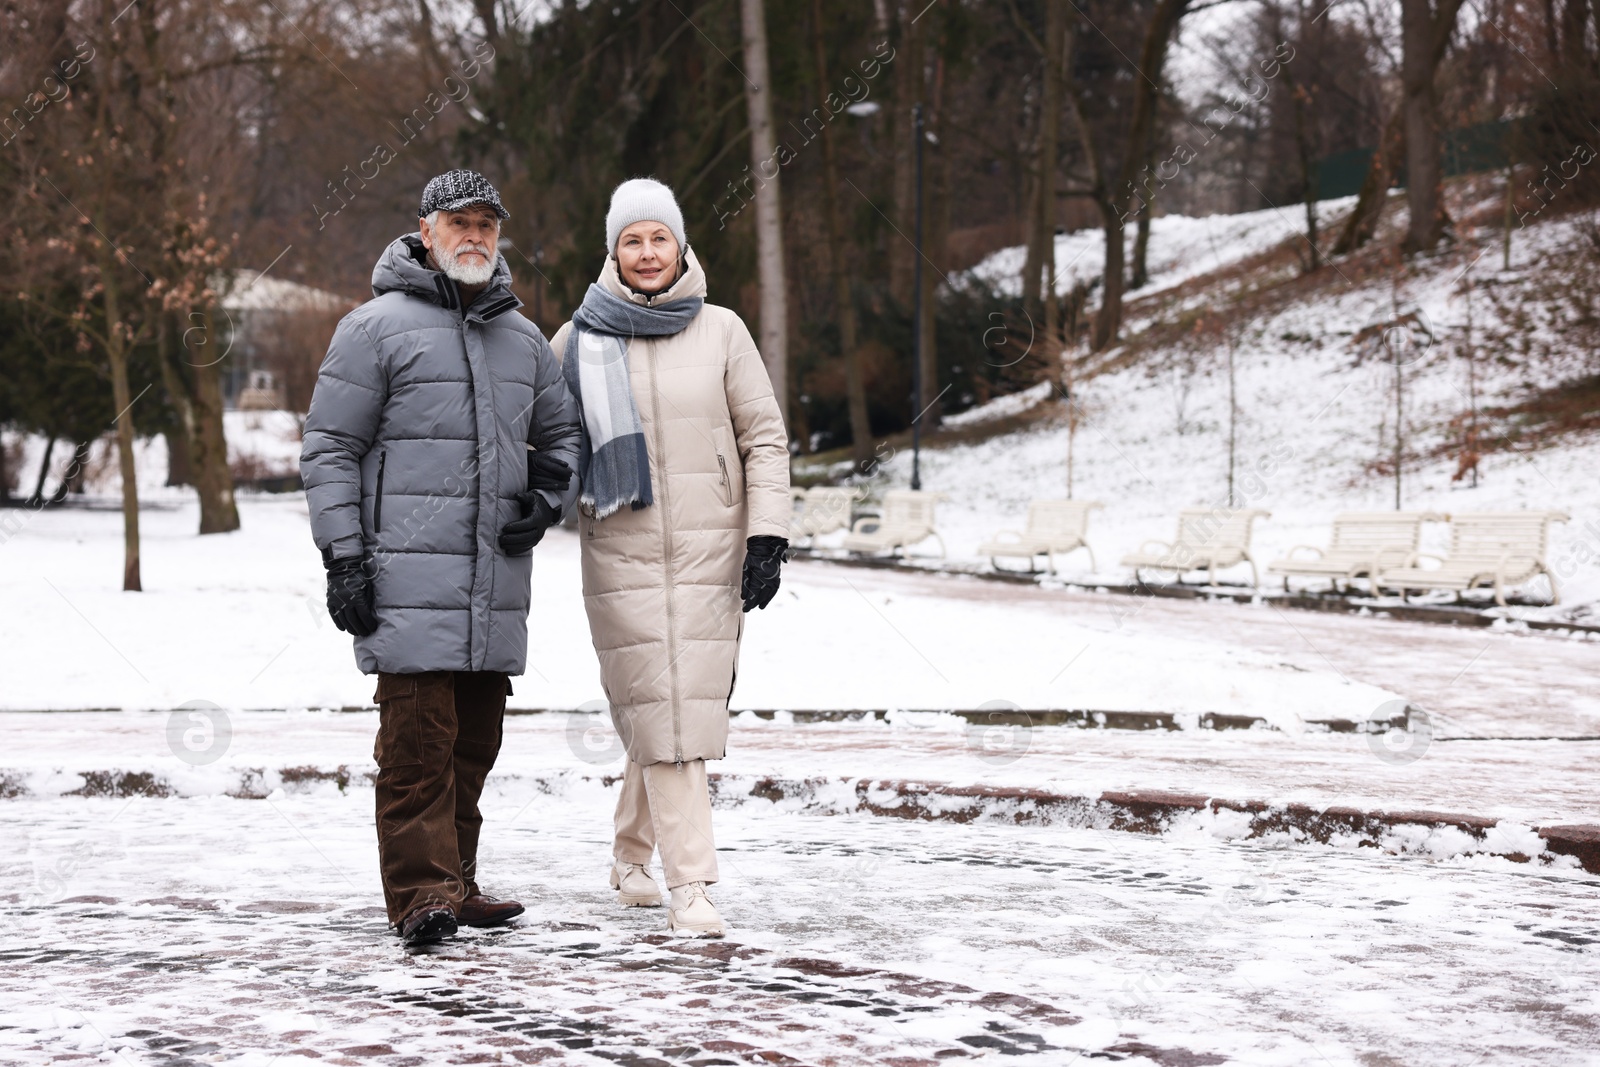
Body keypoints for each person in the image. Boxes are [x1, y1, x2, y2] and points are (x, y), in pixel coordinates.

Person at [300, 170, 582, 946]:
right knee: (417, 748)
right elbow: (329, 447)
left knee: (472, 746)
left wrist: (547, 497)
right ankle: (421, 893)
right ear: (425, 230)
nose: (474, 236)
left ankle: (456, 881)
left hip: (492, 588)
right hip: (403, 581)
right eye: (459, 222)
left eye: (487, 225)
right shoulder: (373, 329)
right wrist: (343, 558)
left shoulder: (523, 339)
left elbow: (562, 439)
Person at [554, 177, 790, 938]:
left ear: (681, 244)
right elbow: (545, 441)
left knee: (673, 709)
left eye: (659, 238)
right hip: (618, 549)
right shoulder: (576, 339)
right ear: (613, 252)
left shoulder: (722, 330)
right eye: (632, 240)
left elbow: (764, 437)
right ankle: (693, 885)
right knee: (661, 709)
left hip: (708, 550)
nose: (647, 253)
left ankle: (630, 855)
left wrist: (767, 534)